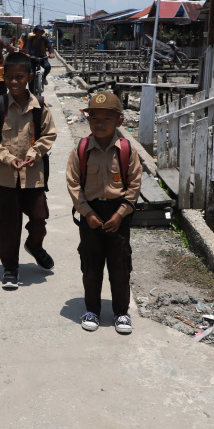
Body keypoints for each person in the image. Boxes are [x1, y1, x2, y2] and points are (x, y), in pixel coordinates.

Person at [66, 92, 142, 334]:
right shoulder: (82, 149)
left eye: (106, 119)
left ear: (119, 121)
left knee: (120, 265)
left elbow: (134, 185)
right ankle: (92, 310)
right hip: (90, 214)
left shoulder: (127, 150)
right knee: (91, 265)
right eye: (94, 118)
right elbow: (73, 184)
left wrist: (120, 213)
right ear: (88, 120)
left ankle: (121, 312)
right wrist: (86, 212)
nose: (99, 124)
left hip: (118, 213)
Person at [0, 52, 57, 290]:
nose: (14, 82)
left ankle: (35, 245)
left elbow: (49, 134)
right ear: (4, 78)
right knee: (8, 224)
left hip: (33, 175)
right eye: (10, 77)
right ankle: (10, 268)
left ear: (29, 77)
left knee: (39, 217)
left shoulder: (40, 106)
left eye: (19, 77)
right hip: (6, 176)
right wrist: (7, 157)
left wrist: (35, 154)